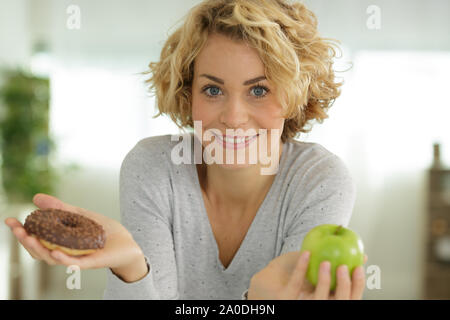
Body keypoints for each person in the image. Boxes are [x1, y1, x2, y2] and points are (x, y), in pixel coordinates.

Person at [5, 0, 368, 300]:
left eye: (259, 90)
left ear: (293, 97)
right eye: (213, 90)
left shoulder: (319, 180)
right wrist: (132, 266)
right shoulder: (153, 167)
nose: (233, 118)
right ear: (186, 93)